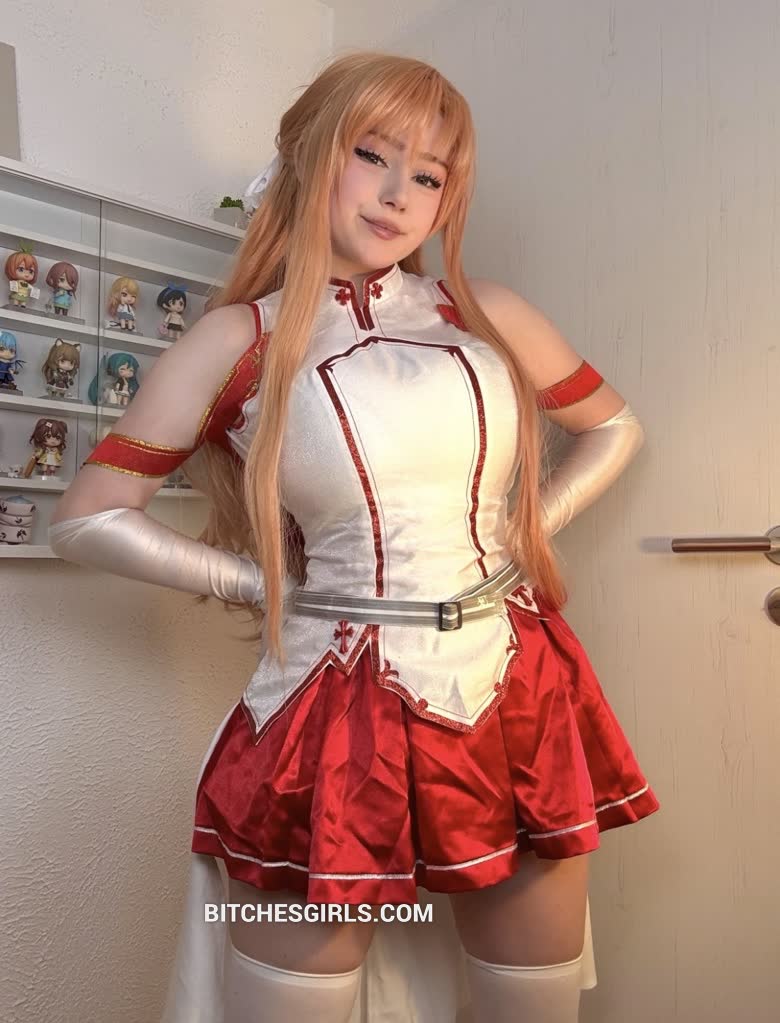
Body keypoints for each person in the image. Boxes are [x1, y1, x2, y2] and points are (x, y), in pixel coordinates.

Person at [49, 50, 660, 1023]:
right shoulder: (239, 340)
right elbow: (88, 517)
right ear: (309, 154)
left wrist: (525, 529)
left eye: (430, 175)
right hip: (331, 707)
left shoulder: (487, 314)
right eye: (373, 154)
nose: (399, 193)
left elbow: (615, 427)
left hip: (516, 682)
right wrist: (263, 586)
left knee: (535, 999)